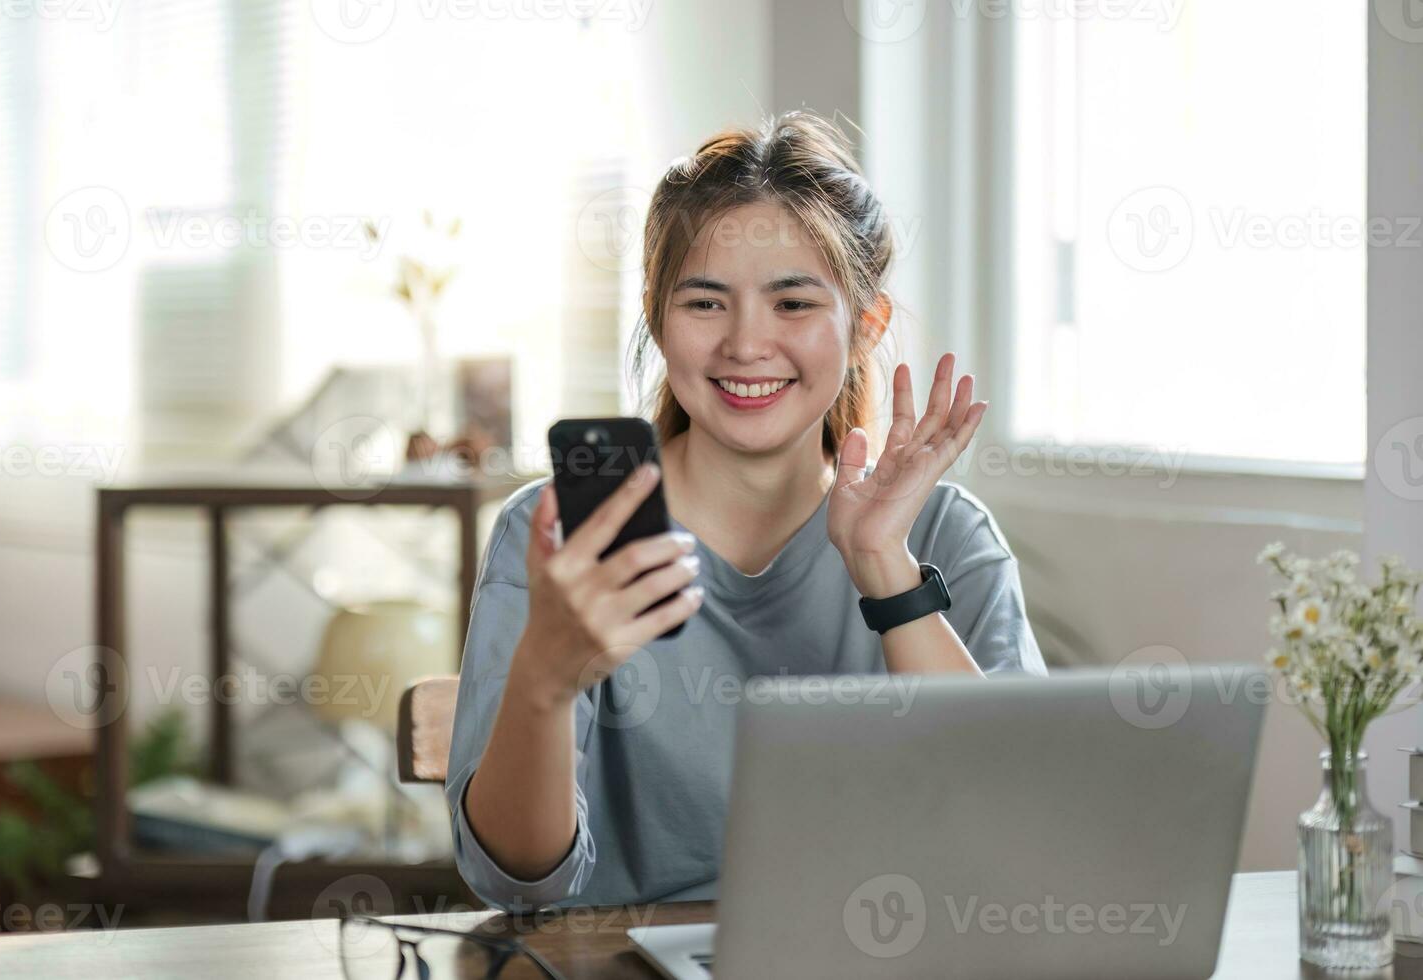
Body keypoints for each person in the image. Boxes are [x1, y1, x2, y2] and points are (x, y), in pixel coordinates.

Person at [444, 110, 1047, 912]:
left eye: (793, 303)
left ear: (865, 327)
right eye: (705, 303)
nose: (746, 345)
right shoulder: (558, 536)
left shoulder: (945, 535)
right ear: (659, 320)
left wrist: (884, 570)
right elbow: (514, 878)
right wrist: (545, 682)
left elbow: (1020, 834)